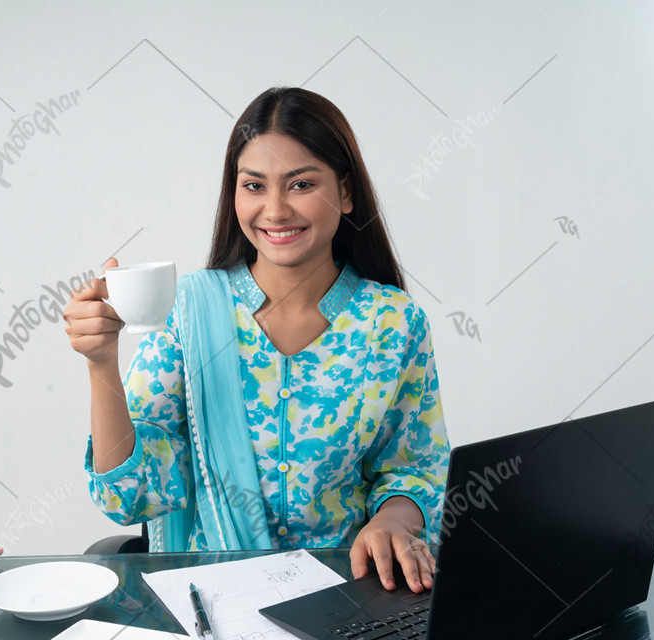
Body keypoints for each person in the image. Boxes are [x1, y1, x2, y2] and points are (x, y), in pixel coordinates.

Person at [63, 87, 450, 594]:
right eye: (254, 186)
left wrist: (393, 522)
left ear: (347, 192)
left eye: (301, 184)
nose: (275, 210)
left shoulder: (393, 321)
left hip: (346, 597)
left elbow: (413, 469)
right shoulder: (189, 312)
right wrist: (101, 364)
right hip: (214, 601)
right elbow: (130, 497)